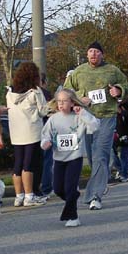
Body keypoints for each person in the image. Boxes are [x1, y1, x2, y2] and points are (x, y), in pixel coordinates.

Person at [64, 41, 128, 210]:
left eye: (97, 52)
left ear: (102, 54)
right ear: (87, 55)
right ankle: (101, 181)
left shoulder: (113, 70)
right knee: (93, 157)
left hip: (107, 116)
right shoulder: (78, 72)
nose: (93, 54)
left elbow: (127, 87)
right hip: (86, 117)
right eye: (91, 51)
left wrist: (118, 90)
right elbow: (65, 92)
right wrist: (79, 98)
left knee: (101, 153)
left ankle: (95, 196)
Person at [41, 89, 100, 227]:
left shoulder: (79, 117)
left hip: (75, 157)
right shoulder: (53, 119)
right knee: (58, 189)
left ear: (72, 102)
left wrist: (83, 113)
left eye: (65, 101)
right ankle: (74, 195)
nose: (61, 104)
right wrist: (45, 143)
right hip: (59, 158)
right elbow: (45, 135)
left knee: (69, 188)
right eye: (59, 101)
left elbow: (95, 126)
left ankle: (73, 217)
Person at [6, 61, 48, 207]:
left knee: (18, 164)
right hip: (32, 131)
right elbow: (44, 111)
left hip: (16, 132)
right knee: (28, 164)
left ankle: (19, 196)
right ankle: (30, 196)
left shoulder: (10, 93)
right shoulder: (35, 92)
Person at [39, 73, 54, 197]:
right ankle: (46, 188)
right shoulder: (44, 93)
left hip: (29, 131)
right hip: (45, 129)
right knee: (47, 160)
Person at [111, 99, 128, 183]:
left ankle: (124, 174)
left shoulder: (127, 105)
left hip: (125, 134)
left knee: (124, 155)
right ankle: (120, 170)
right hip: (114, 134)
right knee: (112, 154)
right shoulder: (110, 109)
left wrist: (122, 112)